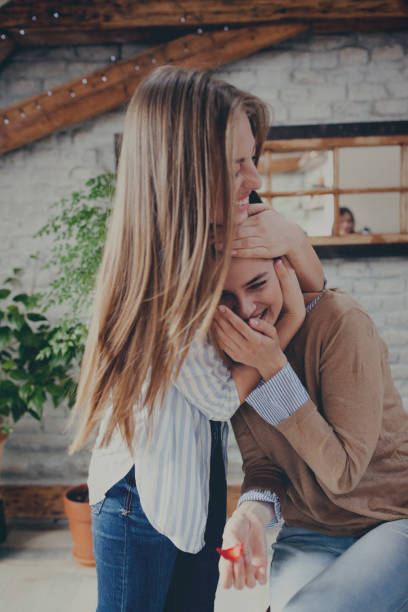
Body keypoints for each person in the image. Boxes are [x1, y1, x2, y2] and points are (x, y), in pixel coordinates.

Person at [69, 65, 324, 612]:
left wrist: (296, 243)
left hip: (196, 476)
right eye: (237, 165)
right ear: (183, 172)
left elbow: (310, 295)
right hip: (139, 496)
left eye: (253, 158)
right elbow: (216, 397)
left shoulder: (215, 247)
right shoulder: (162, 276)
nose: (255, 179)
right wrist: (287, 327)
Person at [214, 256, 408, 611]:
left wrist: (273, 367)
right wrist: (249, 515)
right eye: (226, 297)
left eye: (257, 284)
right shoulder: (232, 351)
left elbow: (343, 472)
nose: (246, 311)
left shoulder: (340, 321)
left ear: (283, 271)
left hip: (393, 518)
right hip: (311, 530)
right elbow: (264, 467)